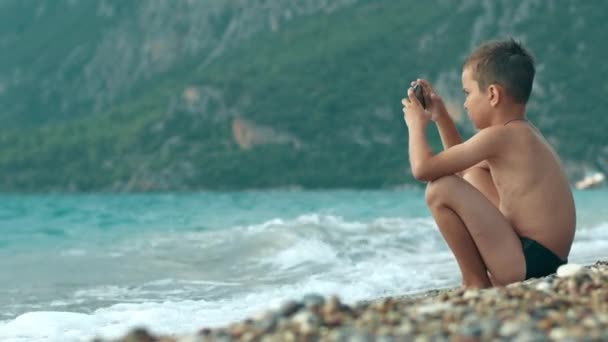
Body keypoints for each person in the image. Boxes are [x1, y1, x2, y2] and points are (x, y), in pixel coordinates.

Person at [401, 38, 576, 288]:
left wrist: (415, 125)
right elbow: (462, 168)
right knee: (474, 176)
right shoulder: (521, 133)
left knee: (439, 189)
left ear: (493, 94)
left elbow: (422, 169)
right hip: (543, 259)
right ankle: (488, 276)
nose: (464, 103)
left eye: (467, 93)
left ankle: (475, 281)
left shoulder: (500, 137)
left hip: (529, 262)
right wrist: (440, 117)